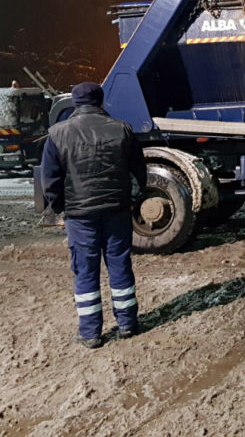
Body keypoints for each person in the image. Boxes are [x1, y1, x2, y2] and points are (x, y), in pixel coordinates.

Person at [41, 82, 147, 349]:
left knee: (85, 271)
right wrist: (131, 199)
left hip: (80, 216)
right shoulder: (122, 129)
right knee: (120, 265)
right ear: (101, 102)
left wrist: (60, 207)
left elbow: (50, 180)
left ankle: (90, 334)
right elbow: (139, 172)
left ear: (74, 104)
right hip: (117, 211)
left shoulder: (57, 133)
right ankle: (127, 324)